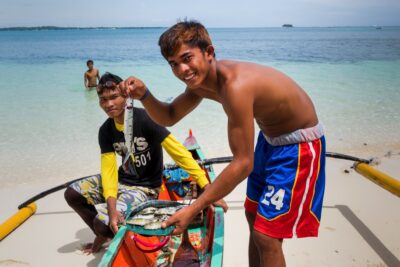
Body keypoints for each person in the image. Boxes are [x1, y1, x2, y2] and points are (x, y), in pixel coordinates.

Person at [119, 20, 326, 267]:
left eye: (187, 58)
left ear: (209, 52)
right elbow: (170, 116)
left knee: (267, 236)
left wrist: (194, 207)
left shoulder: (235, 86)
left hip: (298, 146)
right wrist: (145, 95)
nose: (182, 70)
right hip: (269, 140)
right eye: (173, 64)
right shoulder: (200, 84)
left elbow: (243, 164)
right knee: (252, 215)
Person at [64, 72, 227, 254]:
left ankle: (103, 231)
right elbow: (109, 171)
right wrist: (111, 209)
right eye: (103, 100)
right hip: (120, 181)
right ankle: (106, 231)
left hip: (145, 188)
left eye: (114, 97)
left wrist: (208, 188)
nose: (109, 104)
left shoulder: (147, 118)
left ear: (126, 96)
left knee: (100, 224)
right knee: (72, 194)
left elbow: (179, 153)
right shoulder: (105, 130)